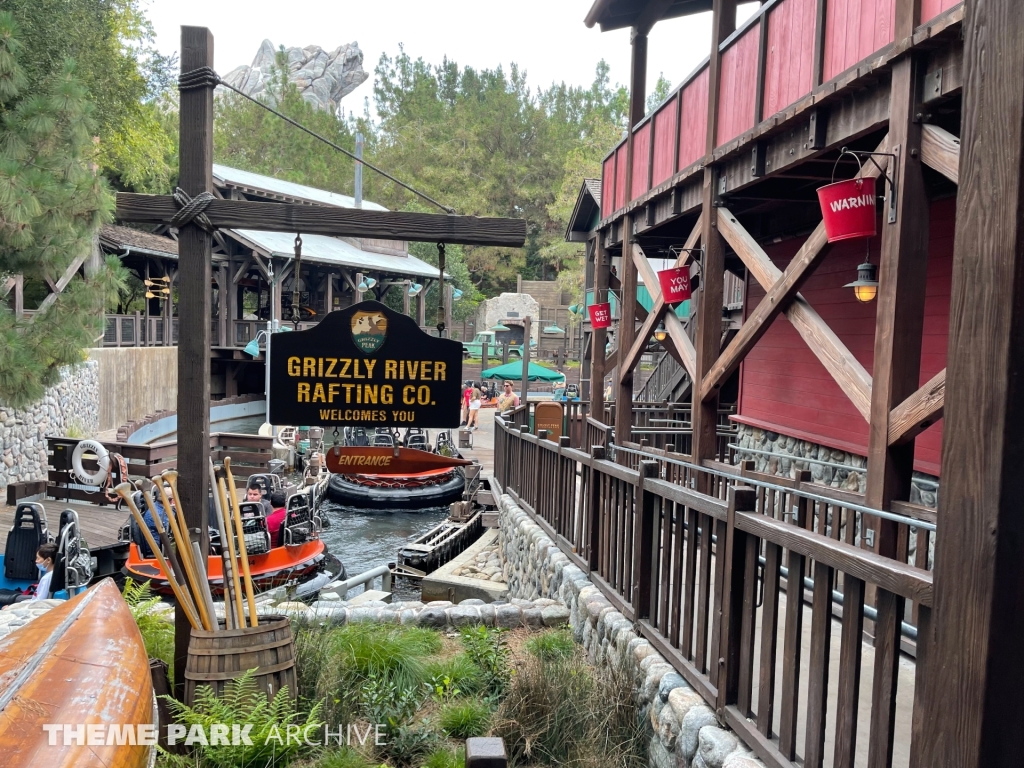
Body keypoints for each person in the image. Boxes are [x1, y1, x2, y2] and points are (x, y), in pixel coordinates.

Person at [0, 543, 58, 607]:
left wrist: (11, 608)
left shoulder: (46, 578)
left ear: (48, 560)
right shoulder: (54, 574)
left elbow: (39, 602)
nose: (36, 561)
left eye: (38, 558)